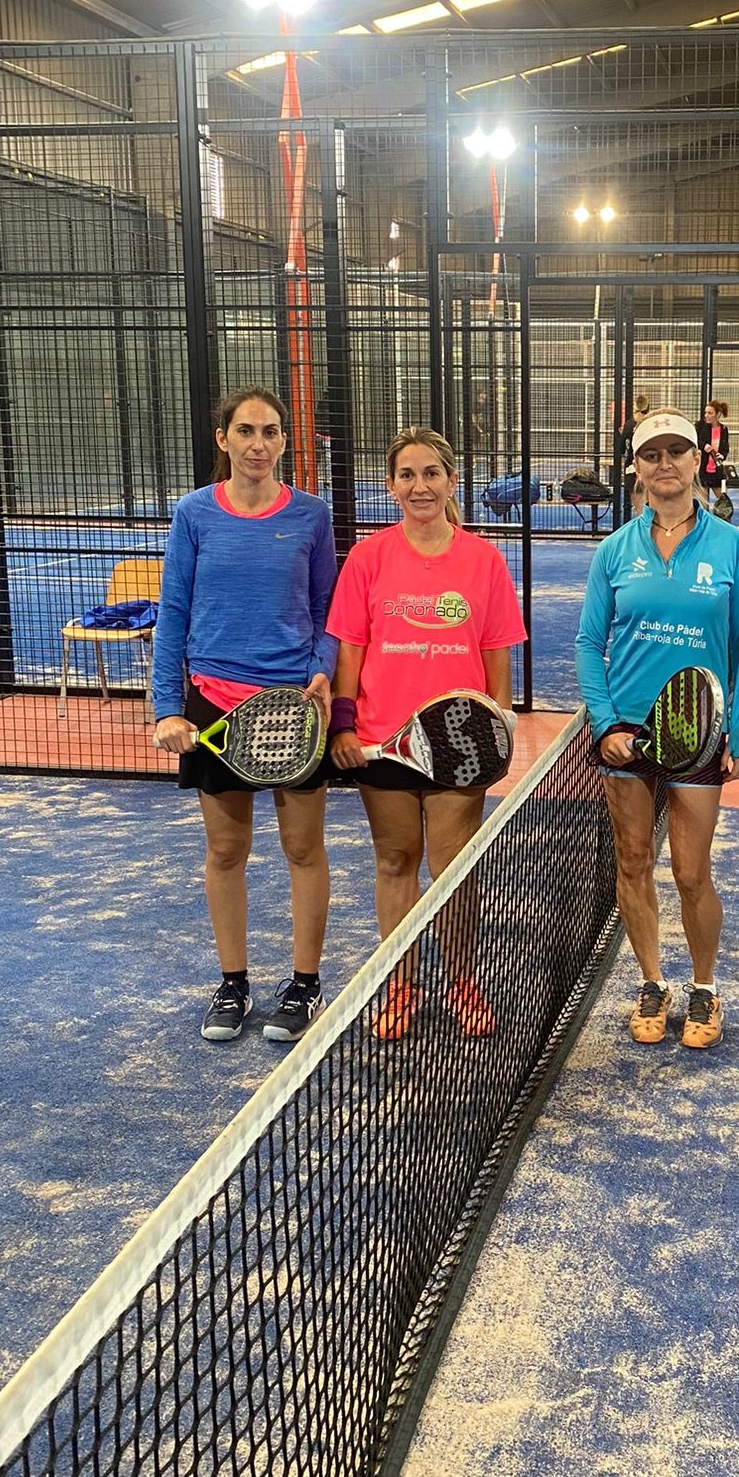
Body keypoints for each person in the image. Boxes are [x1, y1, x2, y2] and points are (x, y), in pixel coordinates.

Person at [151, 387, 337, 1044]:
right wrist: (167, 708)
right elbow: (173, 611)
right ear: (223, 439)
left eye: (272, 432)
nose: (260, 444)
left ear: (285, 441)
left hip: (293, 706)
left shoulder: (312, 516)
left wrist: (323, 666)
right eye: (247, 431)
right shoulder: (194, 513)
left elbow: (328, 609)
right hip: (214, 704)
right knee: (226, 850)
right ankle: (233, 983)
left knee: (303, 848)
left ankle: (305, 985)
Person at [327, 427, 526, 1041]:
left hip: (457, 742)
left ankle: (463, 981)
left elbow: (496, 654)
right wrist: (344, 723)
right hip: (381, 738)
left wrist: (496, 725)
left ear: (451, 482)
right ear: (391, 486)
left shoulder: (483, 560)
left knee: (452, 870)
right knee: (395, 861)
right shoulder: (367, 558)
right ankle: (401, 984)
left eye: (431, 473)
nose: (420, 486)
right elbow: (351, 649)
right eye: (407, 475)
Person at [577, 409, 739, 1050]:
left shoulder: (730, 545)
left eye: (676, 451)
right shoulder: (614, 550)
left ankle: (704, 987)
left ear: (695, 460)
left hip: (699, 726)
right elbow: (588, 643)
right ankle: (651, 981)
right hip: (627, 730)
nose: (664, 464)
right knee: (633, 861)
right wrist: (605, 725)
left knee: (690, 871)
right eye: (651, 454)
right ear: (637, 467)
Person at [697, 397, 730, 494]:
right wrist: (704, 445)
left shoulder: (723, 429)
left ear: (718, 414)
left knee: (722, 498)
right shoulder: (700, 426)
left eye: (710, 413)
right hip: (702, 470)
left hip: (716, 470)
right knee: (703, 501)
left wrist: (722, 455)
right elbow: (694, 440)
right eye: (705, 412)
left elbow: (725, 447)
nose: (706, 415)